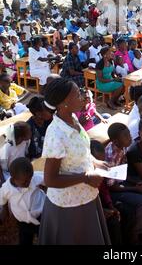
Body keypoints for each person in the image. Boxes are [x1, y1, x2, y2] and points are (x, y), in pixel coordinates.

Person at [38, 78, 110, 245]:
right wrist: (85, 177)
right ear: (64, 102)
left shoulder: (73, 119)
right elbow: (50, 179)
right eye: (77, 95)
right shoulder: (56, 134)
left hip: (86, 196)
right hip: (68, 206)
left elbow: (81, 150)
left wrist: (94, 162)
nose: (83, 97)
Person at [104, 123, 142, 243]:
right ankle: (135, 236)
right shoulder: (111, 156)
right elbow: (111, 186)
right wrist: (135, 188)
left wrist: (136, 184)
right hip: (112, 191)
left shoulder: (123, 147)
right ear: (116, 141)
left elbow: (122, 173)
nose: (130, 137)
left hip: (122, 182)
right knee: (141, 201)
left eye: (129, 134)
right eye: (126, 136)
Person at [0, 157, 45, 244]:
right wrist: (5, 211)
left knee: (44, 236)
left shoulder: (34, 178)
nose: (28, 183)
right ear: (13, 178)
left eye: (30, 179)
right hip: (22, 221)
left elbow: (47, 179)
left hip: (41, 215)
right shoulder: (6, 189)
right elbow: (2, 200)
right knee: (25, 240)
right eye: (24, 182)